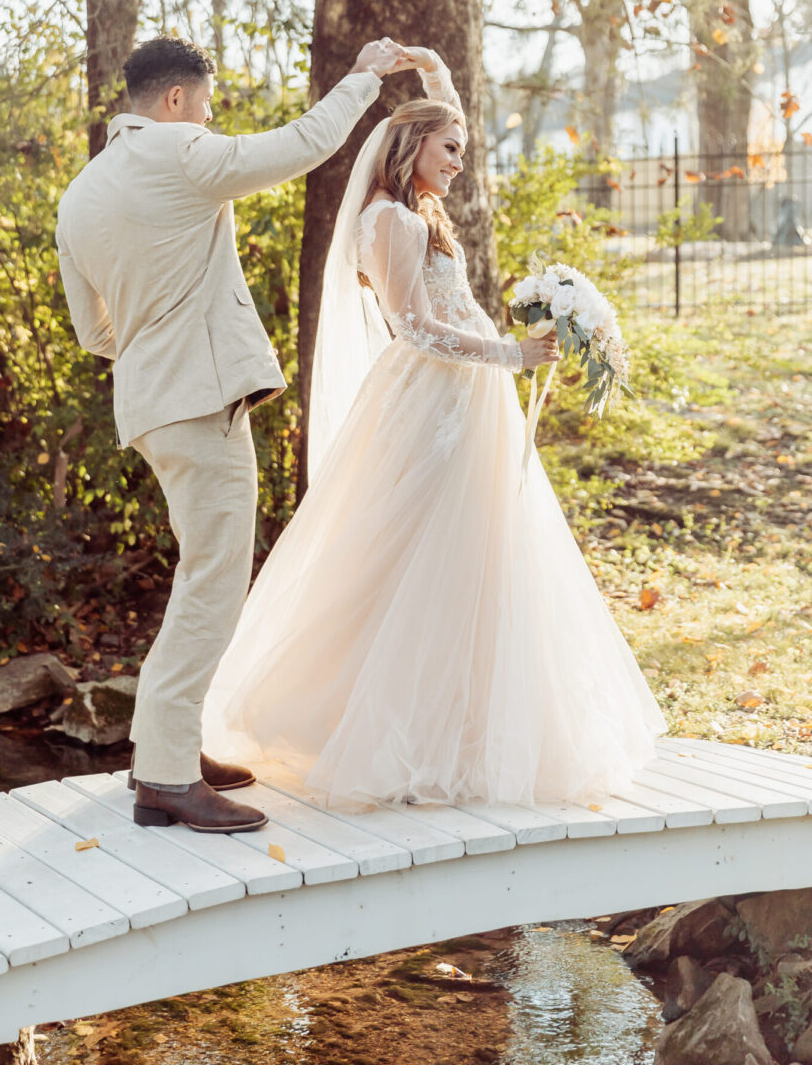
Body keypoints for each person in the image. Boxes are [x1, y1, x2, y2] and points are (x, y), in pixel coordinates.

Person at [203, 50, 665, 809]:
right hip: (434, 404)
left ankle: (467, 728)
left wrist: (441, 73)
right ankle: (377, 732)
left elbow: (443, 155)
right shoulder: (389, 220)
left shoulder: (417, 212)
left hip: (469, 399)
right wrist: (510, 353)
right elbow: (414, 327)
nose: (459, 164)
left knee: (477, 558)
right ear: (410, 147)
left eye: (462, 152)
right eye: (450, 150)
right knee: (414, 559)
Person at [55, 32, 414, 833]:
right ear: (176, 101)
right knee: (213, 584)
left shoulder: (79, 195)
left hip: (148, 406)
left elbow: (93, 332)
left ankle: (166, 744)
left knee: (199, 574)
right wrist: (361, 79)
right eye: (208, 106)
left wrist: (154, 346)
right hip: (201, 400)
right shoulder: (182, 154)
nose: (211, 121)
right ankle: (166, 777)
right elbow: (306, 144)